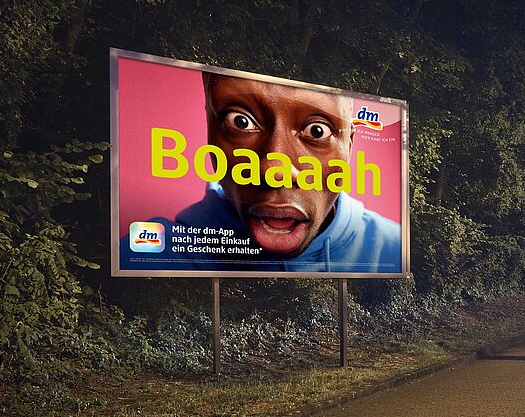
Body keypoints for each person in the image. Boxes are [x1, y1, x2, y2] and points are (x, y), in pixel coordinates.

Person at [120, 72, 400, 273]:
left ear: (349, 145)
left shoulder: (395, 249)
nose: (274, 172)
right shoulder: (151, 254)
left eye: (317, 130)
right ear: (210, 127)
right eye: (240, 122)